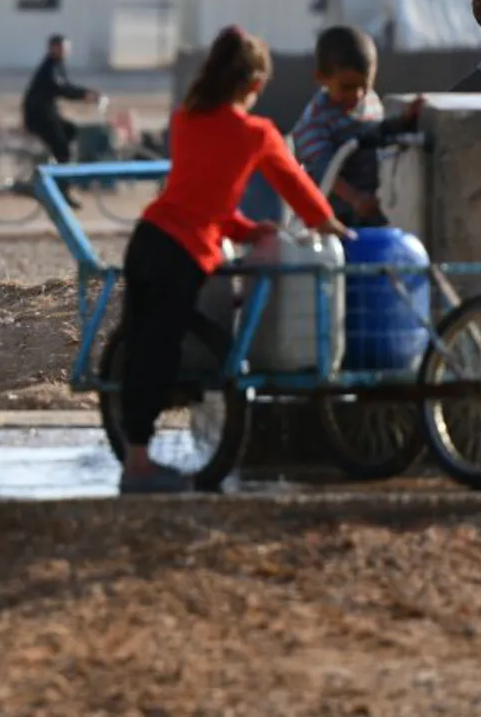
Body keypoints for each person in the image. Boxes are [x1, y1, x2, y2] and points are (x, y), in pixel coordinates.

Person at [116, 26, 349, 494]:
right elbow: (297, 190)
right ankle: (138, 468)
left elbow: (202, 197)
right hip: (179, 253)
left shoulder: (186, 119)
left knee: (142, 348)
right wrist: (332, 226)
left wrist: (244, 229)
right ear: (255, 84)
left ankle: (135, 456)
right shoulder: (256, 133)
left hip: (147, 240)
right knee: (159, 353)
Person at [239, 26, 425, 228]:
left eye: (365, 85)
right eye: (347, 87)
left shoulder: (368, 102)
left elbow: (376, 131)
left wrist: (403, 121)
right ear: (321, 78)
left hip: (370, 207)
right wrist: (355, 198)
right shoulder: (316, 122)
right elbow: (325, 170)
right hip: (333, 216)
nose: (357, 94)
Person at [22, 34, 101, 207]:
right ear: (54, 48)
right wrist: (84, 94)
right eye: (62, 48)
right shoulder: (49, 68)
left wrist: (86, 93)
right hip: (38, 117)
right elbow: (61, 88)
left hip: (47, 114)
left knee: (71, 131)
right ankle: (63, 188)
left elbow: (66, 86)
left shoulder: (57, 66)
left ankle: (54, 170)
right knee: (62, 147)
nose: (66, 51)